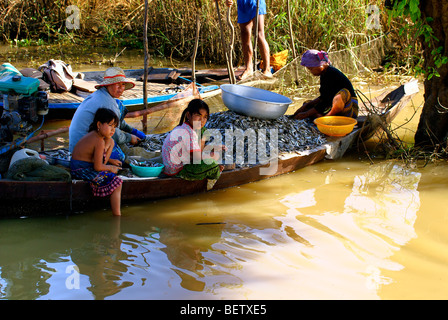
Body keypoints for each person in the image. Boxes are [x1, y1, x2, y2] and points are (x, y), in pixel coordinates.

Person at [68, 67, 146, 163]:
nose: (121, 88)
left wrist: (132, 131)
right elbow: (114, 134)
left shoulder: (103, 95)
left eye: (123, 85)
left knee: (118, 105)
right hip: (84, 150)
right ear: (108, 85)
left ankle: (127, 152)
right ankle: (129, 161)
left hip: (82, 143)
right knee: (119, 157)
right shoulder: (107, 102)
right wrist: (130, 137)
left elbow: (117, 122)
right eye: (117, 84)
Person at [70, 108, 123, 216]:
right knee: (117, 183)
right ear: (99, 124)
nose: (113, 130)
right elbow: (98, 167)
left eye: (114, 127)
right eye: (110, 125)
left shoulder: (96, 135)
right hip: (81, 169)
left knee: (111, 141)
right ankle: (117, 215)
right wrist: (110, 168)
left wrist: (110, 161)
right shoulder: (98, 141)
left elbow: (99, 159)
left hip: (84, 164)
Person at [162, 99, 226, 186]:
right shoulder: (189, 132)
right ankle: (210, 183)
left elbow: (197, 149)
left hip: (175, 164)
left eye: (205, 117)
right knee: (213, 165)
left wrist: (214, 148)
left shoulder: (185, 126)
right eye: (198, 115)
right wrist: (212, 157)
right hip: (177, 170)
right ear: (188, 115)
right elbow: (197, 157)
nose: (202, 120)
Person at [292, 49, 358, 120]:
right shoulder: (324, 75)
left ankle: (326, 117)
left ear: (321, 65)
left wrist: (306, 114)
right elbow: (323, 97)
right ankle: (322, 116)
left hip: (349, 109)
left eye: (311, 69)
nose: (311, 72)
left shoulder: (332, 74)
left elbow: (327, 101)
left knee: (343, 93)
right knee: (307, 104)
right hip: (332, 105)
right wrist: (307, 105)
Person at [225, 0, 273, 80]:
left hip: (256, 3)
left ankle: (267, 69)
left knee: (259, 34)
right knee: (245, 35)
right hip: (242, 4)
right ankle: (249, 68)